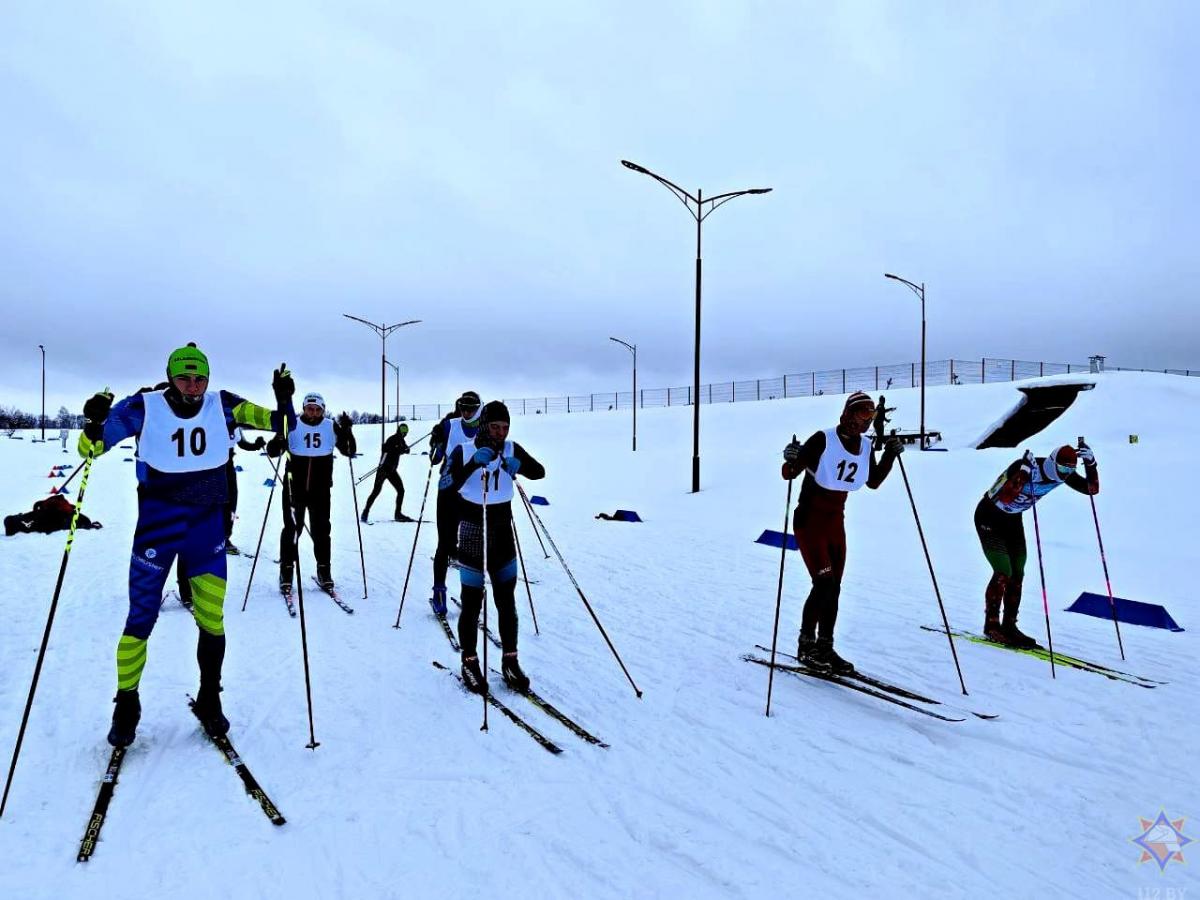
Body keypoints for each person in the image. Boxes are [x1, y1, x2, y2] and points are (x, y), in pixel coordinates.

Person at [79, 344, 295, 746]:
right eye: (185, 377)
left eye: (200, 378)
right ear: (170, 375)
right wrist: (94, 424)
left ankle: (210, 697)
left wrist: (284, 399)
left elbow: (282, 427)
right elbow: (92, 448)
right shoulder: (143, 406)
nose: (193, 387)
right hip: (156, 530)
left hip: (205, 531)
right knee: (140, 619)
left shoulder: (224, 404)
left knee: (212, 620)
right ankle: (127, 703)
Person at [781, 392, 903, 674]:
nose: (862, 424)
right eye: (859, 416)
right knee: (823, 584)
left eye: (868, 419)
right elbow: (790, 473)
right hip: (809, 522)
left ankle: (825, 646)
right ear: (846, 414)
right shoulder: (823, 439)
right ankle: (806, 644)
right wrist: (791, 456)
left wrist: (890, 456)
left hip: (836, 524)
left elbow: (872, 481)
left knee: (833, 587)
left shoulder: (865, 446)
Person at [444, 400, 544, 694]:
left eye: (505, 427)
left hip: (502, 531)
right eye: (495, 427)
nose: (500, 433)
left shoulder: (512, 448)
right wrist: (473, 464)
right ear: (485, 425)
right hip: (473, 530)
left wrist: (521, 466)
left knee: (506, 601)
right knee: (472, 602)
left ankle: (510, 660)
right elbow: (446, 484)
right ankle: (469, 661)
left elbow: (540, 472)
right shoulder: (465, 450)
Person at [974, 442, 1099, 647]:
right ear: (1052, 463)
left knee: (1018, 573)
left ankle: (1010, 626)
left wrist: (1091, 463)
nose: (1066, 474)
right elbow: (1005, 497)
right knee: (1003, 571)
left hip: (1012, 520)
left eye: (1070, 470)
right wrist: (1023, 474)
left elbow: (1092, 489)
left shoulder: (1062, 475)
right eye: (1062, 468)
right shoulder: (1025, 467)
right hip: (989, 517)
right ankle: (992, 625)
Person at [269, 392, 355, 593]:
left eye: (318, 410)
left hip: (320, 490)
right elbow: (272, 451)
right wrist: (280, 436)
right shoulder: (292, 424)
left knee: (322, 531)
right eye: (310, 408)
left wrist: (347, 431)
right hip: (294, 489)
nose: (314, 413)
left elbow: (349, 450)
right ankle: (286, 571)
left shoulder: (330, 426)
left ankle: (324, 570)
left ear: (323, 410)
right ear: (303, 408)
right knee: (292, 530)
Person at [426, 391, 482, 616]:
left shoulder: (485, 427)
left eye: (471, 407)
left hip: (473, 494)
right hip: (448, 491)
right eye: (463, 407)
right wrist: (437, 441)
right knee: (445, 543)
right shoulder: (450, 425)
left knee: (471, 546)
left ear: (479, 408)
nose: (466, 411)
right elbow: (435, 460)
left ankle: (470, 593)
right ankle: (439, 590)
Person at [224, 427, 266, 555]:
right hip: (211, 467)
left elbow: (243, 443)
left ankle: (225, 538)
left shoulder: (234, 421)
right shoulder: (211, 416)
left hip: (228, 466)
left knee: (231, 502)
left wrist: (256, 445)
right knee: (213, 503)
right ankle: (208, 538)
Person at [361, 423, 411, 523]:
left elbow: (404, 449)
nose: (404, 434)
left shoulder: (401, 440)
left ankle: (398, 514)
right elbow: (388, 451)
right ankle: (365, 513)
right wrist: (399, 450)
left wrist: (406, 450)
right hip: (384, 469)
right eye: (403, 432)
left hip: (392, 470)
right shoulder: (392, 439)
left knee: (401, 490)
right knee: (376, 491)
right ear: (399, 431)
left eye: (406, 432)